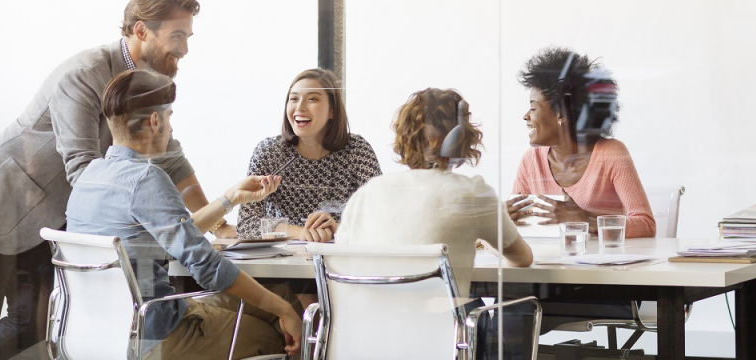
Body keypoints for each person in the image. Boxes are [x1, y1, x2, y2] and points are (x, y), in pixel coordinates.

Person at [0, 1, 218, 358]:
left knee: (32, 324)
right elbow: (83, 170)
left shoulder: (146, 82)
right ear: (141, 31)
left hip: (47, 215)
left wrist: (218, 221)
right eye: (177, 35)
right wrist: (143, 209)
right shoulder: (84, 74)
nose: (184, 48)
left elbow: (171, 156)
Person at [67, 69, 302, 360]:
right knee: (278, 327)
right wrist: (284, 311)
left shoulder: (89, 177)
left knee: (281, 294)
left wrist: (230, 199)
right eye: (169, 117)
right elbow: (207, 266)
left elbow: (174, 235)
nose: (171, 128)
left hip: (99, 331)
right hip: (156, 332)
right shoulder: (146, 178)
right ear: (155, 122)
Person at [334, 88, 535, 359]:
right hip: (443, 340)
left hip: (369, 339)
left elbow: (342, 262)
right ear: (462, 137)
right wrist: (483, 240)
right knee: (510, 319)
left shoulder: (369, 192)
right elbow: (522, 258)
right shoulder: (473, 192)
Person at [506, 46, 655, 238]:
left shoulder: (611, 153)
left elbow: (646, 224)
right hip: (550, 264)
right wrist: (504, 221)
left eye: (533, 108)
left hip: (603, 264)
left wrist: (585, 219)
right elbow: (519, 228)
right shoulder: (531, 160)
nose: (525, 116)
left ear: (561, 113)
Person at [236, 68, 382, 242]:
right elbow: (245, 224)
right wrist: (300, 232)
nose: (300, 107)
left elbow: (381, 217)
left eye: (312, 99)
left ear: (332, 111)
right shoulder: (269, 152)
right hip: (281, 260)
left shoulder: (357, 150)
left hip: (342, 257)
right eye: (294, 99)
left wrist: (339, 228)